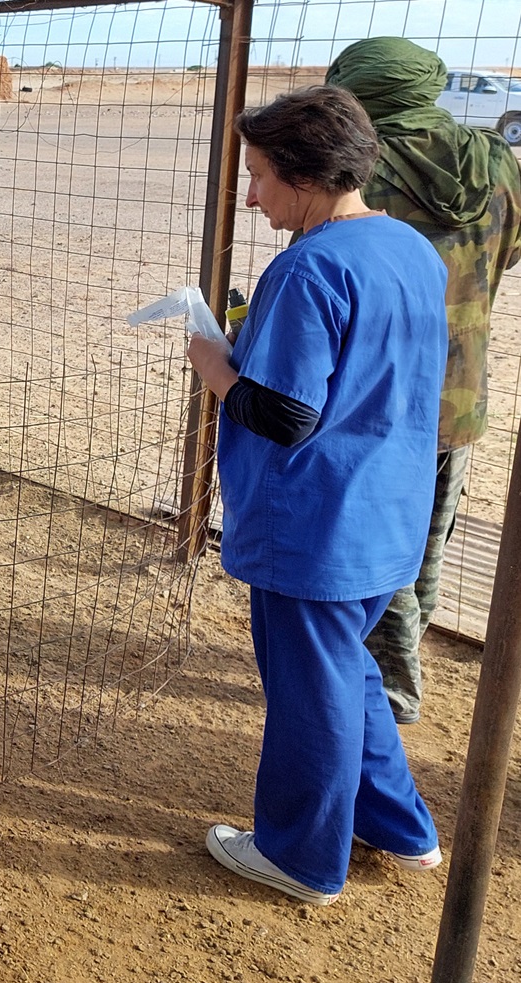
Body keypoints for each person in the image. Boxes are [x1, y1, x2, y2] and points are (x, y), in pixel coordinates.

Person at [186, 85, 447, 906]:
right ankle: (401, 827)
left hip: (316, 526)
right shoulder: (409, 247)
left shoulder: (309, 266)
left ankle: (300, 857)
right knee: (347, 670)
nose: (252, 196)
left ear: (303, 174)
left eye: (260, 175)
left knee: (311, 690)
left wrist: (215, 367)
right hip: (385, 513)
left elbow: (286, 415)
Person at [326, 38, 521, 725]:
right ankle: (398, 667)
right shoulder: (497, 162)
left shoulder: (355, 173)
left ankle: (390, 689)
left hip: (376, 399)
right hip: (461, 393)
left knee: (378, 542)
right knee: (427, 543)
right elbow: (509, 251)